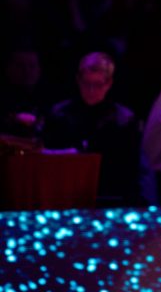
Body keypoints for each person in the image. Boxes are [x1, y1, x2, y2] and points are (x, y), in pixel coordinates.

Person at [42, 52, 142, 207]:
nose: (91, 90)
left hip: (109, 196)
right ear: (78, 80)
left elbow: (130, 170)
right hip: (64, 195)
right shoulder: (59, 115)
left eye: (97, 85)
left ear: (109, 83)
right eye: (86, 84)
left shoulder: (124, 120)